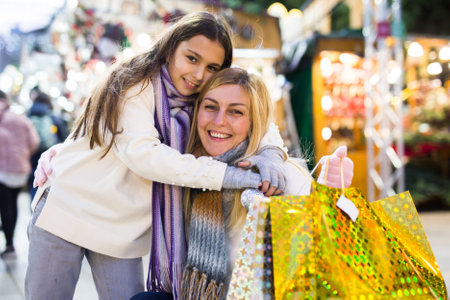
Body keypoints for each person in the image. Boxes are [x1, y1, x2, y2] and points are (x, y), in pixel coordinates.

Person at [25, 11, 288, 300]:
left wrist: (273, 153)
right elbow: (146, 156)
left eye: (212, 67)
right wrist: (227, 176)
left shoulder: (200, 98)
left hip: (122, 231)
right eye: (191, 58)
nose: (199, 74)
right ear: (170, 48)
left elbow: (257, 118)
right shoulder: (135, 84)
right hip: (69, 210)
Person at [131, 68, 353, 300]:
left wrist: (332, 202)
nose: (219, 121)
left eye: (236, 112)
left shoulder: (280, 176)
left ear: (255, 121)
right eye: (210, 107)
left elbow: (325, 265)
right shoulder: (186, 171)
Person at [0, 90, 40, 256]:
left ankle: (9, 242)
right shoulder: (21, 119)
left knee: (5, 207)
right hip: (20, 170)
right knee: (12, 205)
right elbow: (34, 141)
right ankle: (10, 243)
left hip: (2, 172)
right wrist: (23, 156)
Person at [27, 91, 68, 199]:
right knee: (48, 185)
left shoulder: (28, 117)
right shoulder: (54, 119)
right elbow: (65, 139)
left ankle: (34, 211)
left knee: (34, 184)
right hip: (51, 159)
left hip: (31, 157)